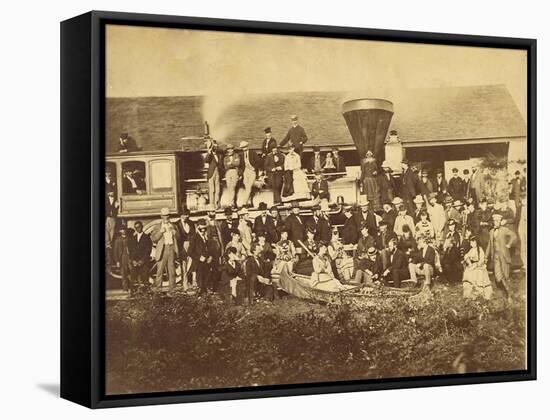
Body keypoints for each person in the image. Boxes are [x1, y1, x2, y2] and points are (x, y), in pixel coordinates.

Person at [485, 213, 517, 302]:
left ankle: (509, 294)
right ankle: (505, 292)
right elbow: (489, 245)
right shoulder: (491, 231)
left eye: (498, 221)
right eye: (495, 221)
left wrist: (509, 244)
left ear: (500, 222)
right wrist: (485, 257)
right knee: (498, 276)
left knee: (505, 276)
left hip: (503, 256)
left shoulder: (504, 230)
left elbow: (514, 236)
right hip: (495, 257)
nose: (496, 222)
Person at [151, 208, 179, 291]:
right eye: (164, 216)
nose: (166, 217)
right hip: (162, 250)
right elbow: (153, 239)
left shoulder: (173, 226)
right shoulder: (157, 226)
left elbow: (178, 237)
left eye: (167, 216)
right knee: (160, 270)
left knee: (172, 270)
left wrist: (175, 233)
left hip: (171, 248)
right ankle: (158, 288)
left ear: (169, 216)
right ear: (161, 216)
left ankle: (172, 289)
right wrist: (160, 232)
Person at [190, 219, 218, 295]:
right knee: (200, 277)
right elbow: (190, 252)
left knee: (207, 275)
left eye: (204, 229)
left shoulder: (207, 237)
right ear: (197, 228)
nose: (203, 231)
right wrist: (199, 257)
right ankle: (200, 290)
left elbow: (210, 249)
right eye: (201, 229)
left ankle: (206, 289)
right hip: (199, 262)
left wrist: (211, 256)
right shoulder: (194, 238)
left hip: (207, 260)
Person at [462, 236, 493, 300]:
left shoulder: (480, 249)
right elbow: (466, 256)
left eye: (472, 242)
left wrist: (476, 265)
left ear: (476, 242)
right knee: (468, 273)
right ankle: (470, 292)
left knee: (478, 275)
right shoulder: (471, 250)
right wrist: (469, 263)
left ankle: (479, 292)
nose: (471, 244)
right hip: (472, 265)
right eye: (470, 242)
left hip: (479, 266)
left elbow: (481, 260)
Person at [129, 221, 153, 289]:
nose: (138, 229)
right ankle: (134, 293)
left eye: (139, 227)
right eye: (136, 228)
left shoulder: (147, 237)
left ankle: (145, 294)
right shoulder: (133, 238)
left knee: (144, 279)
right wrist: (133, 261)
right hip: (135, 262)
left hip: (144, 262)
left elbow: (148, 250)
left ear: (142, 227)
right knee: (134, 279)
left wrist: (142, 261)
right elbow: (131, 251)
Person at [238, 141, 260, 207]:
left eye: (245, 147)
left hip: (252, 171)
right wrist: (241, 175)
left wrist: (254, 168)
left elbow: (259, 162)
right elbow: (241, 166)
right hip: (245, 172)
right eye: (242, 148)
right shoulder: (241, 155)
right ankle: (249, 202)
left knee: (248, 186)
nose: (244, 149)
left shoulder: (253, 153)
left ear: (247, 147)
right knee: (247, 187)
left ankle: (244, 203)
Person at [442, 219, 462, 283]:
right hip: (449, 252)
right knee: (443, 260)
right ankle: (448, 278)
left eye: (453, 225)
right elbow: (445, 245)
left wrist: (449, 244)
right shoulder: (448, 234)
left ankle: (452, 279)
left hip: (455, 254)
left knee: (448, 263)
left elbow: (455, 245)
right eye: (450, 225)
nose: (452, 227)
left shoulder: (456, 234)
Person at [205, 137, 223, 208]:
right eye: (214, 146)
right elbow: (206, 160)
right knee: (212, 190)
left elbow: (220, 164)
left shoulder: (219, 155)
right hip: (211, 174)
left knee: (217, 189)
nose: (215, 148)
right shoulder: (210, 155)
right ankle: (211, 204)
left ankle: (216, 204)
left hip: (217, 173)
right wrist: (209, 151)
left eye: (216, 146)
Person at [114, 227, 133, 293]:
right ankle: (125, 289)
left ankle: (132, 288)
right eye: (122, 230)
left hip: (130, 257)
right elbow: (115, 251)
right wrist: (117, 261)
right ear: (120, 231)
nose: (123, 231)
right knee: (124, 274)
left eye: (124, 230)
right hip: (122, 258)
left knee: (132, 273)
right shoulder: (117, 240)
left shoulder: (130, 238)